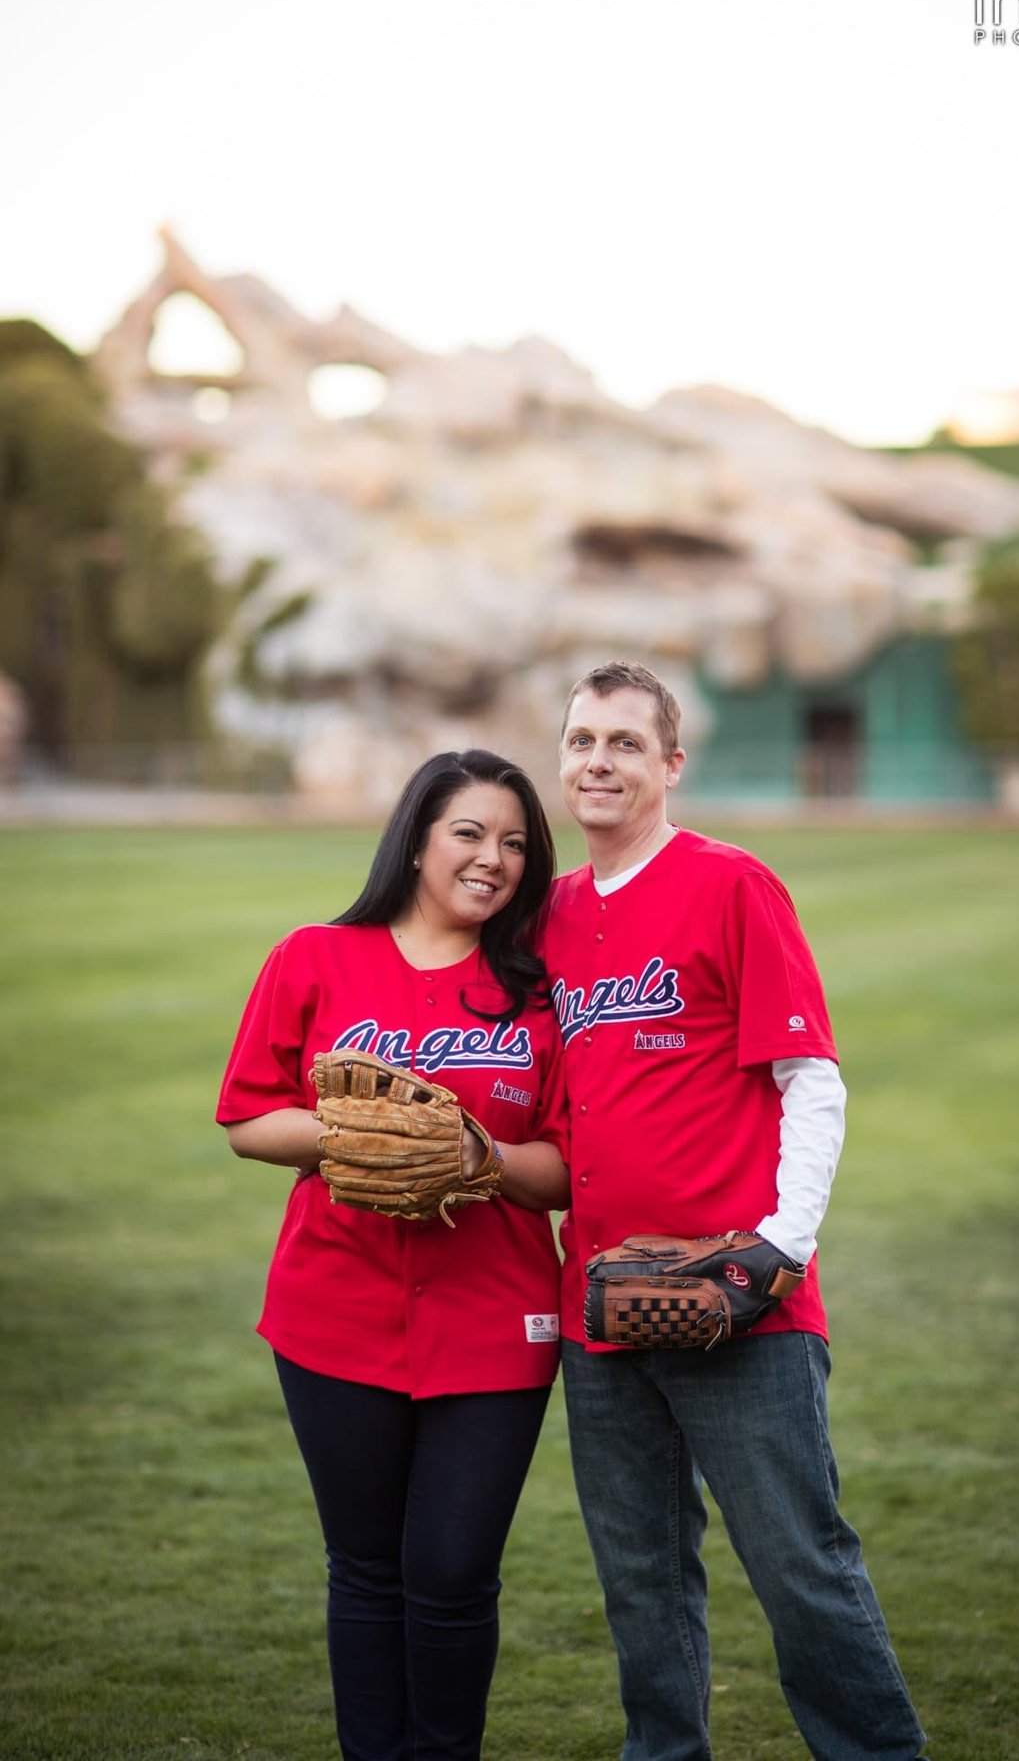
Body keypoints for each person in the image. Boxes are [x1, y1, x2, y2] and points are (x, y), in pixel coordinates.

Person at [541, 661, 928, 1761]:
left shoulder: (731, 884)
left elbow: (811, 1077)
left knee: (801, 1569)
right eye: (581, 741)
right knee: (641, 1584)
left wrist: (781, 1247)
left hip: (736, 1297)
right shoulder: (556, 916)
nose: (599, 761)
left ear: (672, 763)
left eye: (624, 742)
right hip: (599, 1306)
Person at [216, 749, 570, 1761]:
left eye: (514, 843)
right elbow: (245, 1117)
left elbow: (566, 1167)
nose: (492, 859)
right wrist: (358, 1140)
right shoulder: (315, 958)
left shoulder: (539, 990)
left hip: (495, 1318)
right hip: (335, 1308)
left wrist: (479, 1156)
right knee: (366, 1569)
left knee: (455, 1571)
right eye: (469, 833)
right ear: (416, 838)